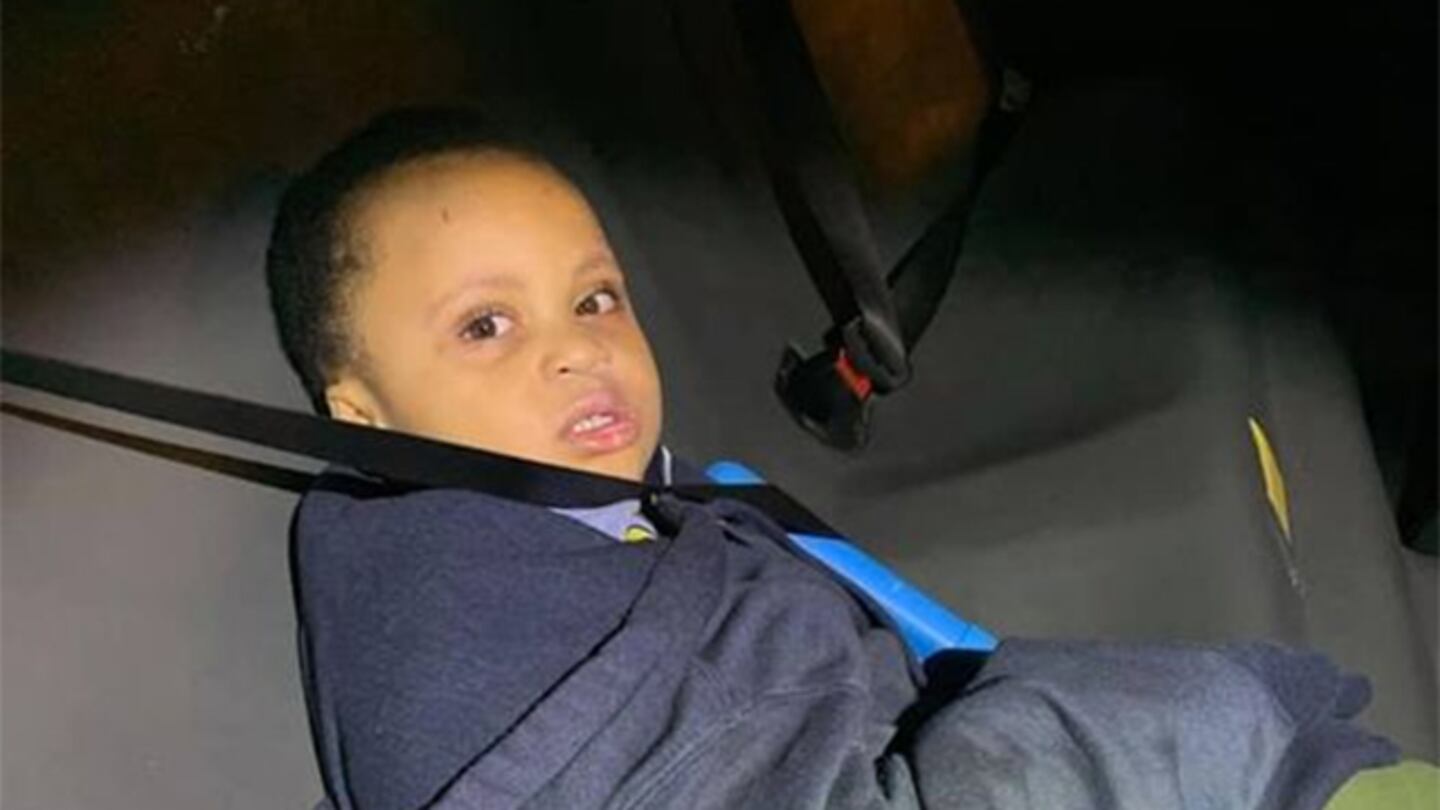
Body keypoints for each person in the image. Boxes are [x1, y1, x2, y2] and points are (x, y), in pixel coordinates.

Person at [266, 107, 1425, 810]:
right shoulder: (453, 632)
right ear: (362, 416)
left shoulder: (667, 504)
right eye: (486, 326)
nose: (578, 349)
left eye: (596, 297)